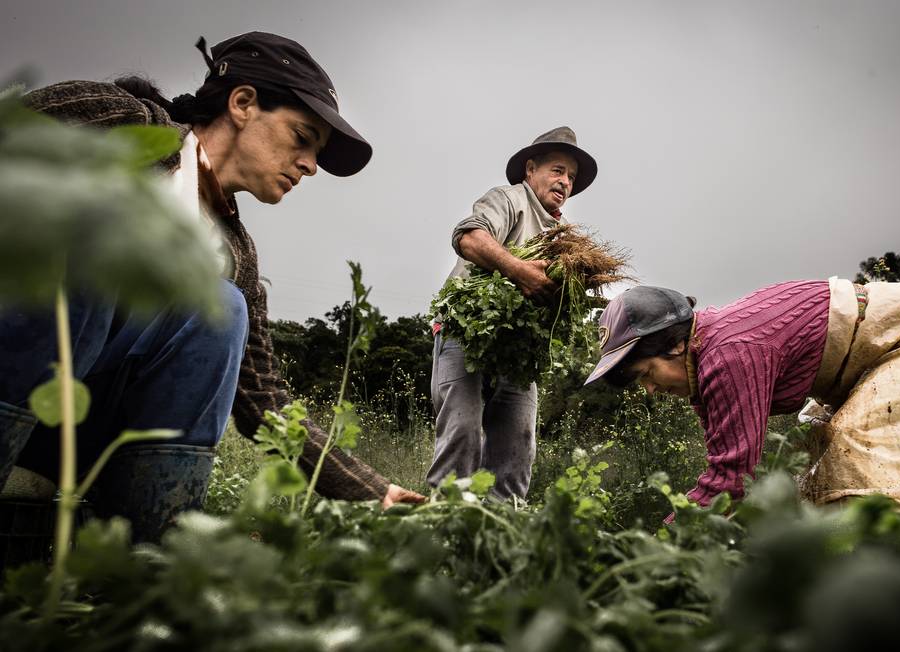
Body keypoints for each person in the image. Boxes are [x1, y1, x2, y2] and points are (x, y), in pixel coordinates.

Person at [0, 31, 424, 543]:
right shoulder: (123, 123)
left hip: (77, 428)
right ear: (243, 103)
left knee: (220, 308)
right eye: (301, 137)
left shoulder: (234, 255)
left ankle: (150, 566)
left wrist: (372, 489)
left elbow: (264, 401)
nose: (310, 165)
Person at [583, 279, 900, 511]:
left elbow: (734, 474)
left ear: (676, 344)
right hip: (890, 351)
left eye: (646, 373)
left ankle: (886, 579)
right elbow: (724, 459)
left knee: (853, 450)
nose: (649, 389)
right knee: (820, 447)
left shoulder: (729, 352)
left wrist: (669, 541)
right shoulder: (711, 348)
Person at [428, 126, 598, 498]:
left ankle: (501, 530)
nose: (565, 181)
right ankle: (446, 522)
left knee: (518, 442)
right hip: (465, 332)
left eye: (570, 176)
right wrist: (518, 269)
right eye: (557, 170)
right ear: (530, 170)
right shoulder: (509, 200)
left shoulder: (564, 236)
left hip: (518, 349)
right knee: (463, 430)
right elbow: (469, 237)